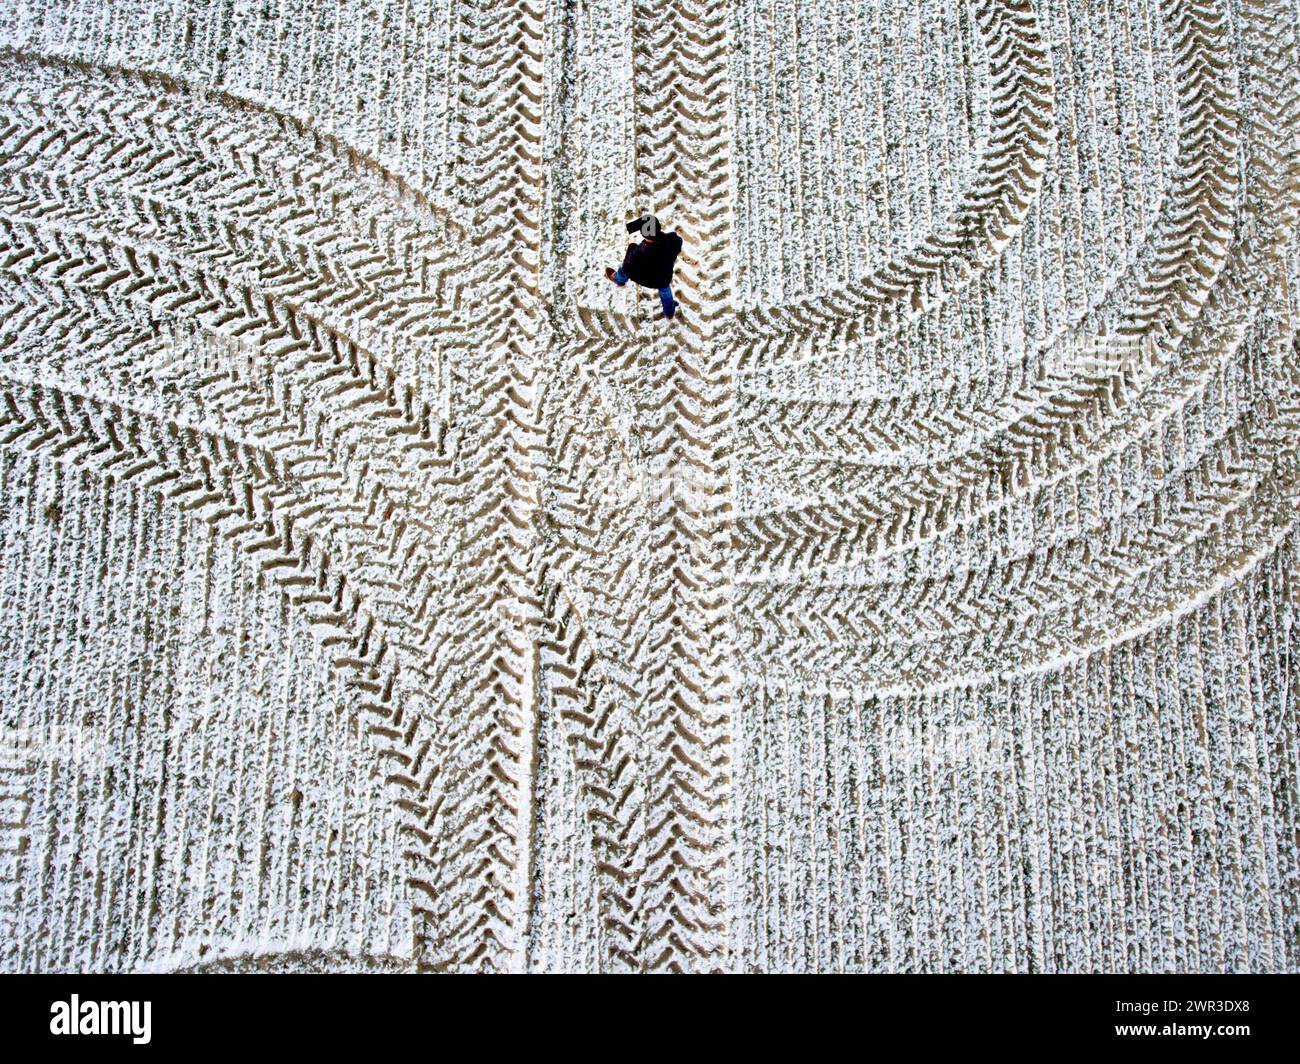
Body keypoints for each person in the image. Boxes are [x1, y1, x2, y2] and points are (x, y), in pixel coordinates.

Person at [605, 215, 680, 319]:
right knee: (665, 291)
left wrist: (632, 245)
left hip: (644, 278)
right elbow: (678, 242)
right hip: (663, 278)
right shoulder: (672, 239)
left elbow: (627, 266)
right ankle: (669, 312)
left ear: (644, 235)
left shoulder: (639, 252)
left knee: (624, 269)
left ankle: (619, 280)